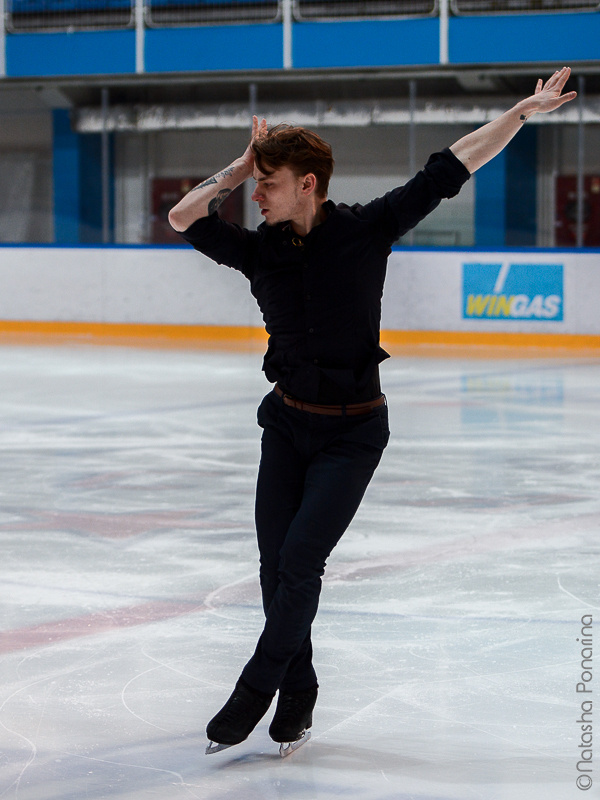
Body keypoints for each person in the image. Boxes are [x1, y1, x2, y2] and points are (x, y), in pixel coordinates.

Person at [168, 67, 576, 755]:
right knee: (275, 568)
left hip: (353, 432)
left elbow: (454, 164)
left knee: (300, 561)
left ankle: (257, 687)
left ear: (308, 184)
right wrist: (239, 167)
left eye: (268, 183)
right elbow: (183, 216)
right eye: (256, 184)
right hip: (286, 424)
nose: (257, 196)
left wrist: (521, 113)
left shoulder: (367, 229)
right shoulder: (257, 248)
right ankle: (300, 688)